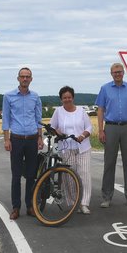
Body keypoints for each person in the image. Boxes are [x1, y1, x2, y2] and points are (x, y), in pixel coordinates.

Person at [96, 63, 127, 207]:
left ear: (123, 73)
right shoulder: (104, 89)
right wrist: (100, 130)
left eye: (120, 72)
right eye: (115, 72)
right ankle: (106, 197)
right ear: (111, 74)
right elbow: (100, 110)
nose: (117, 74)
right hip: (110, 127)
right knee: (109, 163)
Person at [2, 67, 43, 220]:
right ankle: (16, 207)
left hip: (32, 139)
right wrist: (7, 139)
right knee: (16, 175)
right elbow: (6, 119)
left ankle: (30, 206)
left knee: (32, 175)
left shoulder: (35, 97)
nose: (25, 79)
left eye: (28, 76)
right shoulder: (8, 96)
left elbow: (38, 119)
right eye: (22, 76)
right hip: (17, 139)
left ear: (31, 79)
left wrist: (40, 137)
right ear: (18, 78)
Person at [50, 86, 93, 214]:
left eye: (69, 97)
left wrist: (83, 135)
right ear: (61, 99)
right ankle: (75, 202)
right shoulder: (58, 112)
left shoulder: (81, 111)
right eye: (64, 98)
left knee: (84, 175)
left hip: (82, 147)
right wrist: (58, 132)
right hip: (66, 148)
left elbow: (89, 127)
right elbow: (52, 127)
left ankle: (84, 203)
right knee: (69, 176)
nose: (67, 99)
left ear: (73, 98)